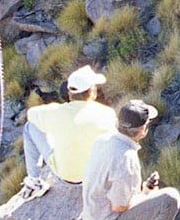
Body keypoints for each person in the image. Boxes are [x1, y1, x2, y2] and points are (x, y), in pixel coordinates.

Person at [81, 99, 180, 220]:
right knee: (170, 198)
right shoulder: (126, 157)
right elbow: (120, 207)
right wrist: (145, 193)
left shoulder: (103, 140)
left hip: (98, 215)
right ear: (143, 130)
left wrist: (145, 192)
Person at [22, 65, 119, 193]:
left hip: (64, 175)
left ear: (69, 93)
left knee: (30, 127)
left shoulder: (55, 112)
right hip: (93, 175)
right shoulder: (107, 113)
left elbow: (31, 115)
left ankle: (34, 180)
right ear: (92, 92)